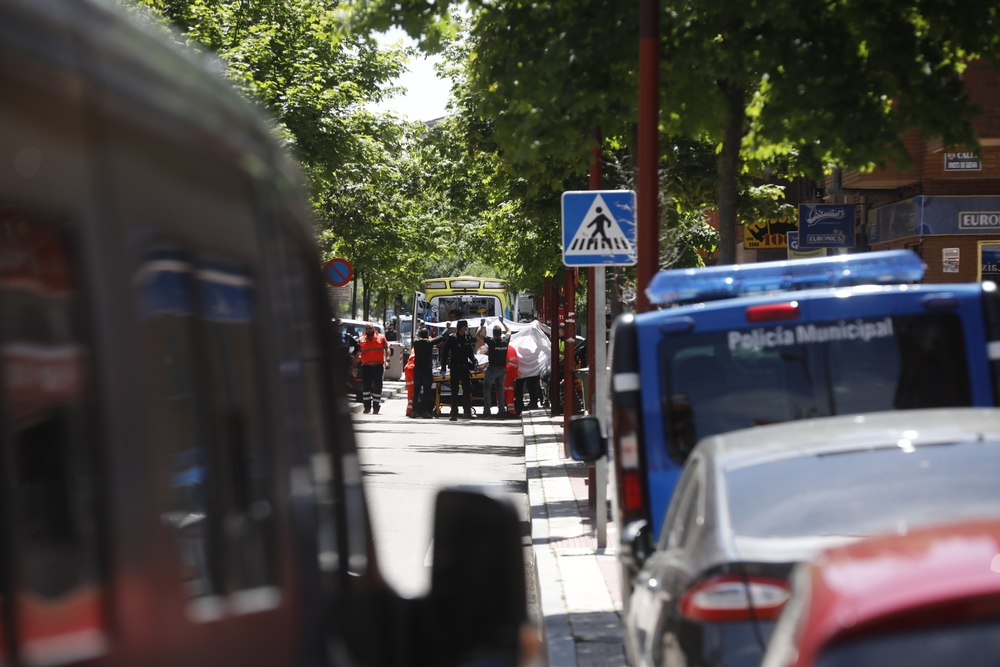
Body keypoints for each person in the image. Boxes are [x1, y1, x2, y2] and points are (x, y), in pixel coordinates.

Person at [441, 319, 477, 421]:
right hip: (455, 367)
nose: (466, 329)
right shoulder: (452, 338)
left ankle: (467, 412)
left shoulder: (466, 338)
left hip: (465, 367)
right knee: (454, 391)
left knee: (467, 390)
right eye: (465, 328)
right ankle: (454, 414)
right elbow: (444, 353)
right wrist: (443, 367)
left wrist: (474, 361)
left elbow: (470, 353)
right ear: (461, 328)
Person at [476, 317, 511, 418]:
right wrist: (503, 322)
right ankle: (501, 412)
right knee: (500, 390)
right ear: (500, 333)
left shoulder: (491, 341)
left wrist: (481, 325)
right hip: (503, 369)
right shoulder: (505, 341)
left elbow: (478, 335)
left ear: (494, 334)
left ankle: (487, 412)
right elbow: (509, 331)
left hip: (492, 369)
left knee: (487, 389)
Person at [411, 326, 447, 418]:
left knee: (416, 392)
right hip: (426, 370)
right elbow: (441, 337)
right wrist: (447, 328)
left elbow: (415, 335)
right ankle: (424, 412)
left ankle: (414, 411)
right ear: (427, 335)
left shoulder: (416, 342)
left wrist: (418, 328)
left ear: (420, 335)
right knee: (427, 392)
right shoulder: (429, 342)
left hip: (417, 370)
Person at [358, 322, 389, 414]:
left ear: (374, 328)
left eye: (370, 328)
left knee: (377, 387)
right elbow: (357, 353)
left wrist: (388, 360)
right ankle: (367, 407)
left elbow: (387, 349)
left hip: (378, 366)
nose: (368, 330)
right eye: (366, 329)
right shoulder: (361, 339)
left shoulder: (381, 338)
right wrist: (355, 366)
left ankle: (376, 407)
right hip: (366, 366)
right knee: (366, 387)